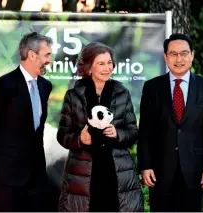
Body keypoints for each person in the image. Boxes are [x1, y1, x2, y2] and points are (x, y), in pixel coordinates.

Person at [137, 33, 203, 212]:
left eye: (184, 53)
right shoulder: (152, 88)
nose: (179, 59)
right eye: (173, 54)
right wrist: (145, 165)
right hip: (159, 170)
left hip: (195, 170)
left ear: (192, 55)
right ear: (166, 57)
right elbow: (145, 131)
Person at [57, 42, 144, 212]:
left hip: (116, 171)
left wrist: (118, 133)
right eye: (101, 63)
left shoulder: (122, 93)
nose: (107, 68)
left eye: (109, 63)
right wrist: (79, 139)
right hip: (83, 173)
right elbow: (62, 134)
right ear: (89, 68)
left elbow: (133, 132)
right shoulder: (74, 95)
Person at [0, 32, 53, 212]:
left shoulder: (45, 86)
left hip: (36, 175)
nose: (50, 60)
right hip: (6, 176)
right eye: (47, 54)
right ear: (32, 55)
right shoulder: (3, 85)